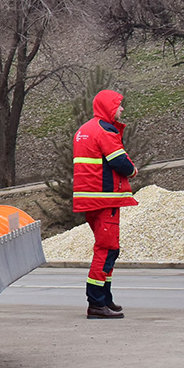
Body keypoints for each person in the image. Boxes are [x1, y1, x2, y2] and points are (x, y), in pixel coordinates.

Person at [73, 89, 138, 320]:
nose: (122, 110)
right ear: (109, 107)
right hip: (105, 198)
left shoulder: (84, 129)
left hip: (88, 198)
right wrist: (133, 170)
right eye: (119, 105)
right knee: (107, 249)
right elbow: (119, 161)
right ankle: (97, 303)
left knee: (108, 247)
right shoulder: (104, 130)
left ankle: (105, 298)